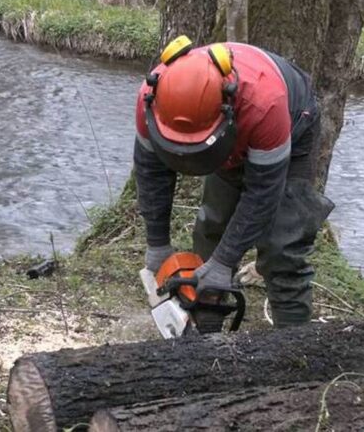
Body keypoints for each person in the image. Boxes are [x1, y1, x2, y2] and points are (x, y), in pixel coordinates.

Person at [134, 36, 334, 328]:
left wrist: (225, 261)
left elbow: (263, 193)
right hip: (229, 138)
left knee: (283, 247)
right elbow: (151, 170)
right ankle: (204, 332)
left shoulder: (265, 104)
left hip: (290, 127)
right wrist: (157, 244)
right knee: (211, 232)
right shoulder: (151, 96)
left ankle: (293, 344)